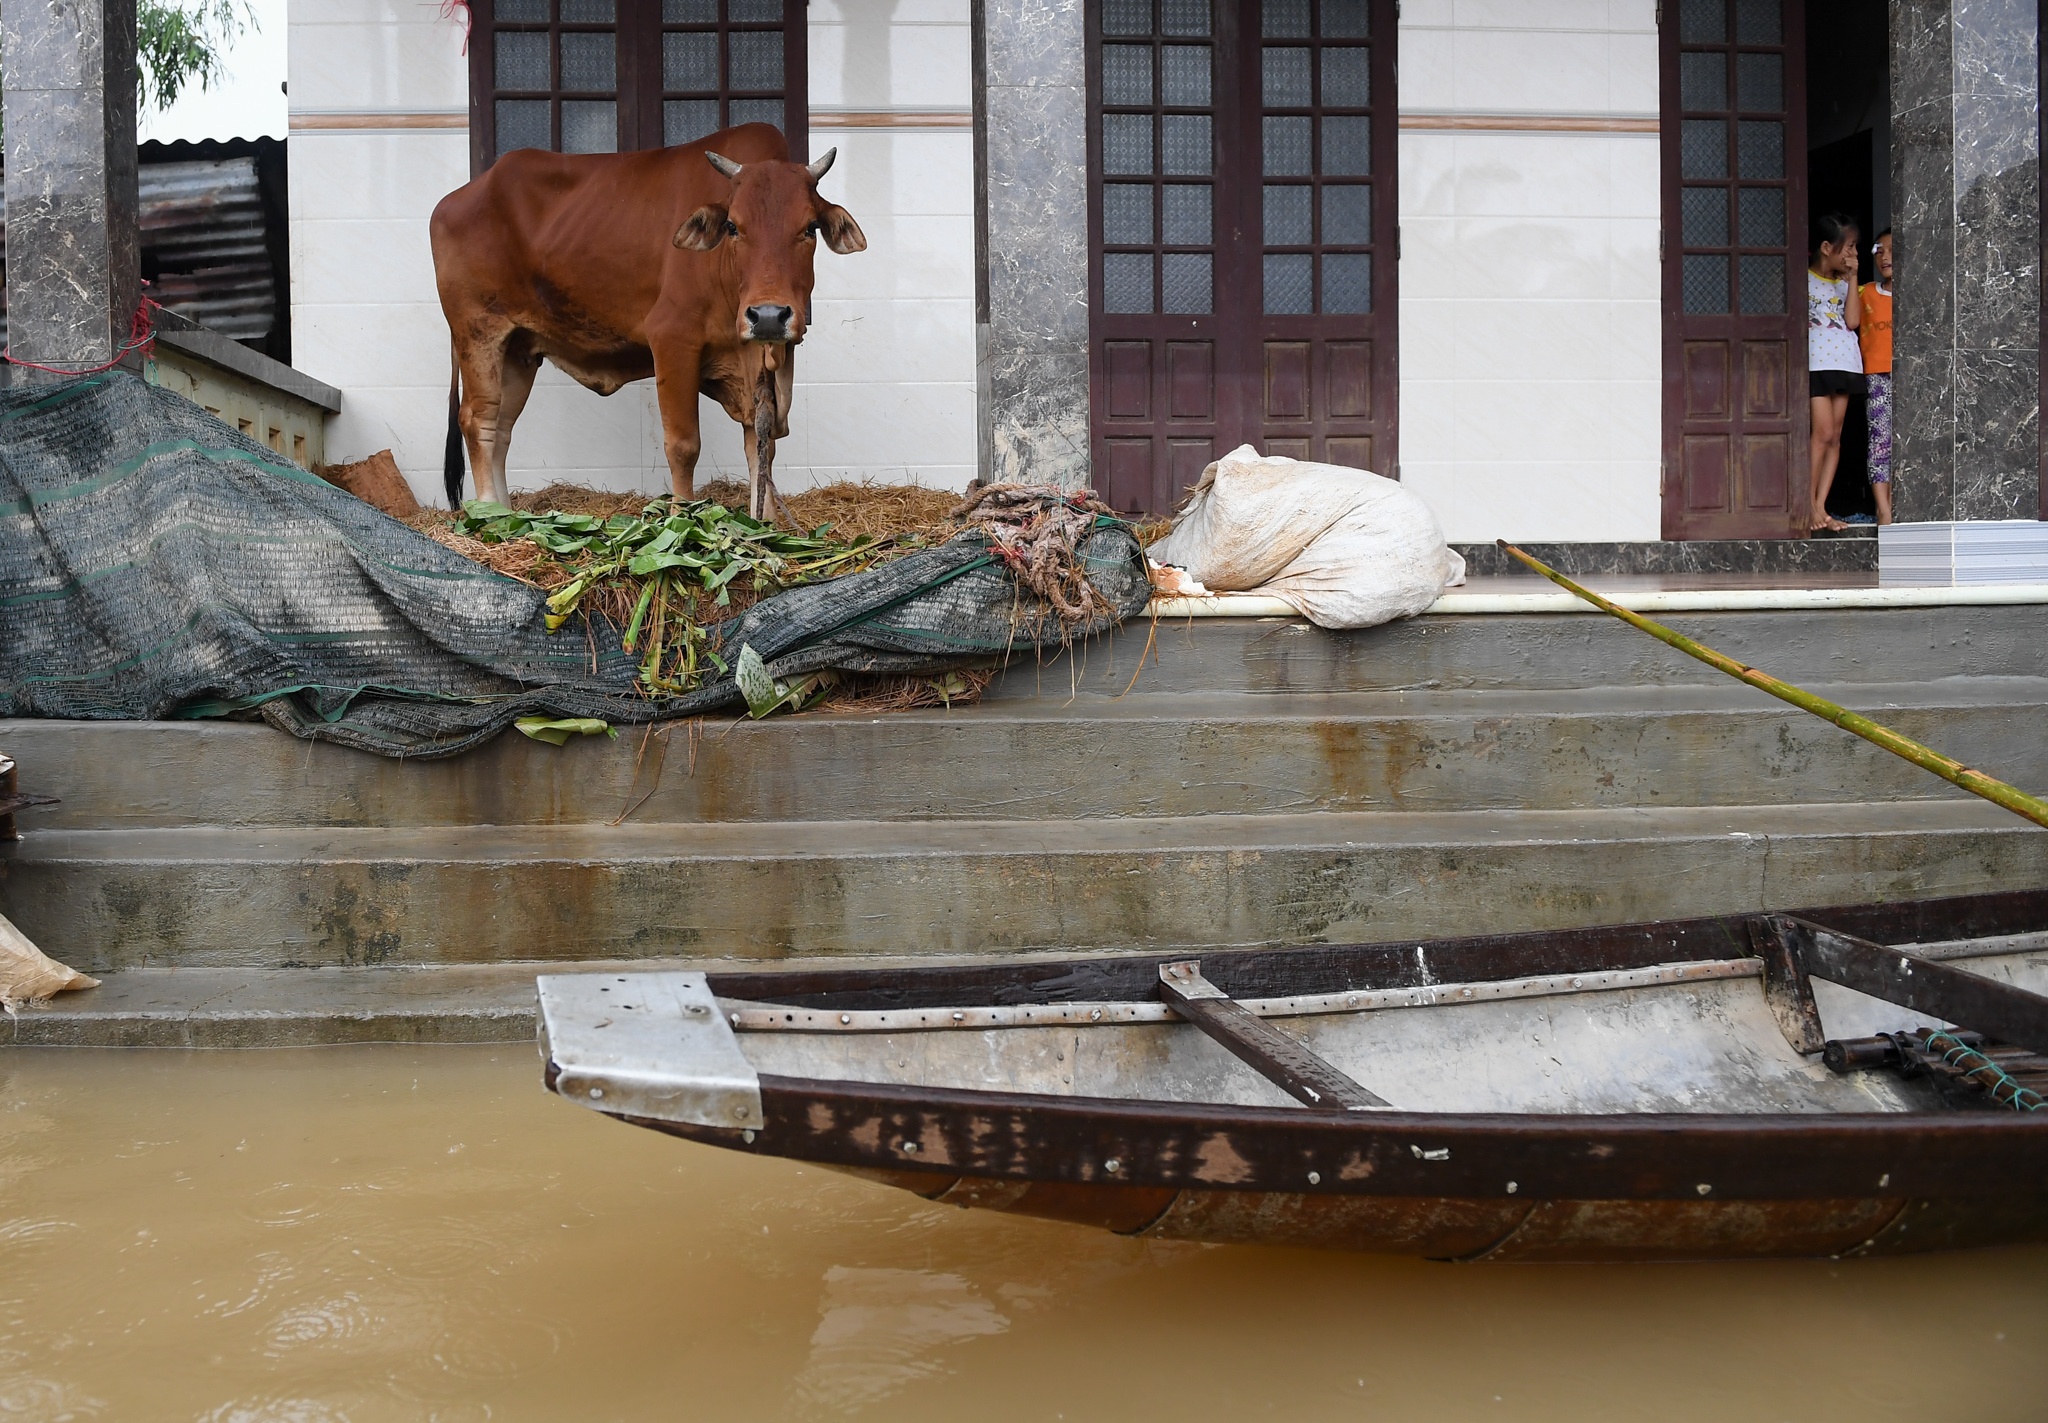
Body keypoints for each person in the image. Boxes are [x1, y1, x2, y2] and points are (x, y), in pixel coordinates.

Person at [1806, 212, 1864, 533]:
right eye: (1849, 248)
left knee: (1836, 437)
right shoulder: (1803, 278)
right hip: (1816, 363)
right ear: (1827, 247)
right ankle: (1807, 505)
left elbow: (1853, 322)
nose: (1853, 255)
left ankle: (1821, 506)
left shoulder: (1844, 283)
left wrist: (1853, 278)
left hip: (1846, 362)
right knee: (1822, 433)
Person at [1859, 229, 1895, 525]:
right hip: (1878, 377)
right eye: (1879, 250)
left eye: (1892, 250)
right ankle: (1884, 509)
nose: (1884, 256)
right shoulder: (1866, 292)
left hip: (1915, 378)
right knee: (1880, 442)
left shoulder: (1922, 296)